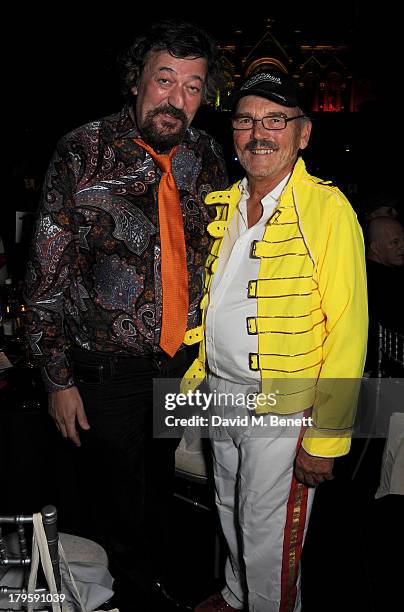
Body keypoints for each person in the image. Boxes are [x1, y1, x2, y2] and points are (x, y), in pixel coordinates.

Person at [24, 19, 227, 612]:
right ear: (136, 81)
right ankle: (130, 598)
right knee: (117, 501)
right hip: (105, 369)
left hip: (181, 364)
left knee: (165, 487)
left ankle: (156, 585)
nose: (177, 99)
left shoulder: (208, 156)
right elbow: (45, 276)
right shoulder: (82, 150)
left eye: (192, 87)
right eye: (164, 80)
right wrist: (58, 379)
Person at [181, 70, 368, 611]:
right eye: (246, 121)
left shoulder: (327, 210)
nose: (258, 133)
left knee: (269, 533)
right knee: (228, 505)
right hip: (223, 393)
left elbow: (349, 331)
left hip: (282, 405)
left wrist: (326, 438)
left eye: (275, 121)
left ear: (303, 134)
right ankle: (240, 595)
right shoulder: (227, 203)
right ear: (233, 133)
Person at [365, 216, 404, 374]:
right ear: (375, 247)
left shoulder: (364, 273)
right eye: (395, 242)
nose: (402, 246)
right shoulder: (381, 281)